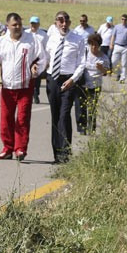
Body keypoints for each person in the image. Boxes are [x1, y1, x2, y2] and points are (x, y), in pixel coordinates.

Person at [0, 13, 47, 161]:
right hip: (7, 87)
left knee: (23, 118)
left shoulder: (32, 40)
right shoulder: (1, 42)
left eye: (19, 24)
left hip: (25, 86)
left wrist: (36, 68)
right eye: (14, 25)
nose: (18, 27)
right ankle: (7, 148)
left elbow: (43, 58)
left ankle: (20, 149)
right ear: (8, 26)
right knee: (6, 119)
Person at [45, 11, 85, 163]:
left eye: (66, 21)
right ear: (55, 22)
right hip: (53, 79)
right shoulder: (51, 39)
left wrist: (73, 79)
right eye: (60, 21)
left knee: (64, 115)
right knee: (55, 116)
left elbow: (82, 62)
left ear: (69, 22)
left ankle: (65, 153)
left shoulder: (78, 39)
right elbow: (45, 57)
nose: (63, 24)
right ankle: (57, 154)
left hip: (68, 80)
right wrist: (37, 67)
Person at [80, 33, 109, 133]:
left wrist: (102, 69)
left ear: (99, 45)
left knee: (92, 107)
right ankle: (83, 128)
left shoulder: (103, 57)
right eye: (91, 44)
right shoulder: (85, 54)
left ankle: (91, 127)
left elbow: (107, 72)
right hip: (83, 84)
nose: (93, 47)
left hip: (96, 85)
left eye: (96, 45)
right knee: (82, 107)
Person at [25, 15, 48, 104]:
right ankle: (29, 93)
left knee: (37, 77)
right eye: (32, 23)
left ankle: (36, 93)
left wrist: (46, 60)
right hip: (28, 57)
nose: (33, 25)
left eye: (35, 24)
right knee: (28, 76)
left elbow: (47, 48)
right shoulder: (26, 33)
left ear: (38, 24)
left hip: (39, 59)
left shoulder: (43, 35)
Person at [109, 14, 127, 83]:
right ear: (121, 19)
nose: (123, 21)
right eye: (122, 19)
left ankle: (122, 78)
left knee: (124, 63)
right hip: (117, 46)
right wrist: (111, 44)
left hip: (126, 47)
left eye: (125, 19)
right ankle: (119, 73)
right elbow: (113, 36)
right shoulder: (117, 27)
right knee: (113, 61)